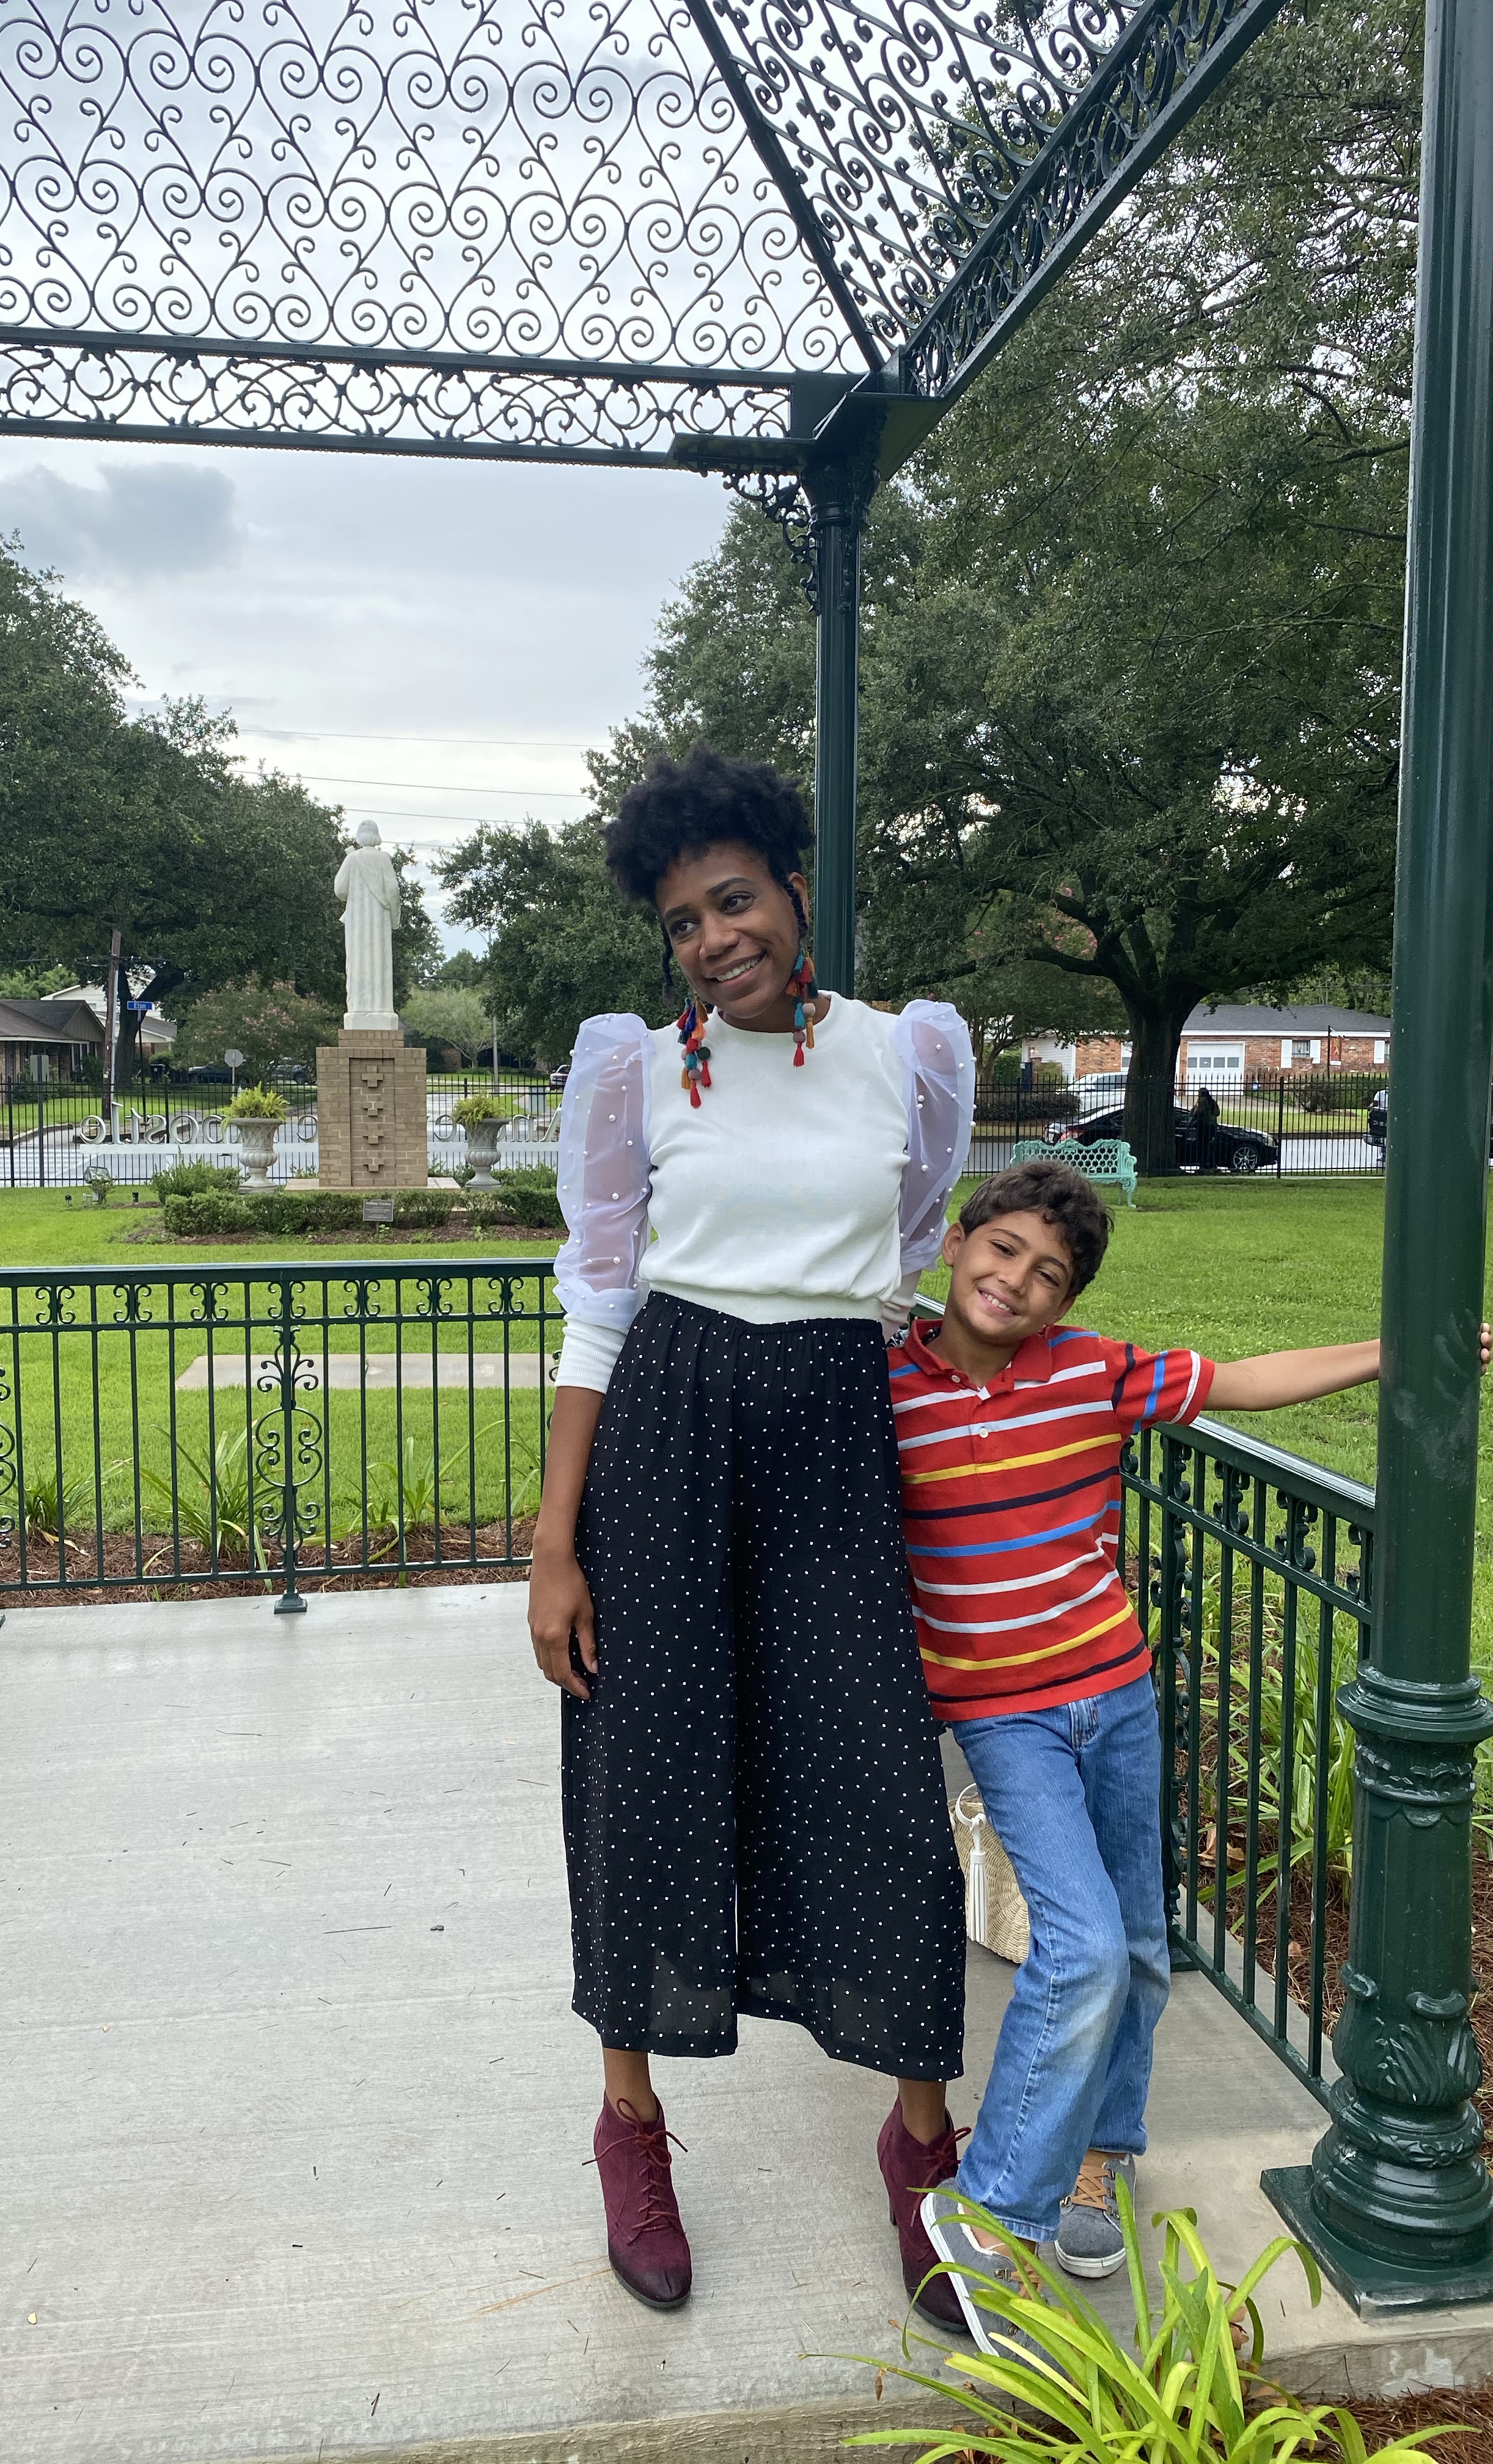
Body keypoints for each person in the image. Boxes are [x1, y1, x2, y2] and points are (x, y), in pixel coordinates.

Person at [887, 1157, 1490, 2348]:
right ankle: (991, 2205)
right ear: (955, 1245)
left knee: (1143, 1952)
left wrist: (1390, 1347)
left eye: (1049, 1274)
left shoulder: (1090, 1372)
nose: (1018, 1281)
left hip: (1113, 1698)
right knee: (1086, 1946)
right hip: (1003, 1720)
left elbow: (1247, 1381)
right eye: (1001, 1250)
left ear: (1070, 1300)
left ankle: (1092, 2168)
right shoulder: (885, 1383)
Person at [527, 745, 975, 2322]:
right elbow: (597, 1304)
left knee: (874, 1783)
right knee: (641, 1774)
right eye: (682, 922)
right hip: (667, 1428)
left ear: (796, 890)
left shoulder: (910, 1059)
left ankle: (921, 2148)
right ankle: (631, 2121)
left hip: (836, 1439)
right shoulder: (636, 1074)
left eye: (734, 899)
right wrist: (553, 1544)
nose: (714, 938)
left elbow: (905, 1263)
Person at [1191, 1084, 1220, 1170]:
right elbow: (1218, 1113)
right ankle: (1211, 1163)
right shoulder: (1213, 1101)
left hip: (1204, 1126)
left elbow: (1197, 1112)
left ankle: (1203, 1164)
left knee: (1202, 1146)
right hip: (1212, 1126)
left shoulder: (1202, 1101)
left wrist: (1195, 1108)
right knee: (1208, 1146)